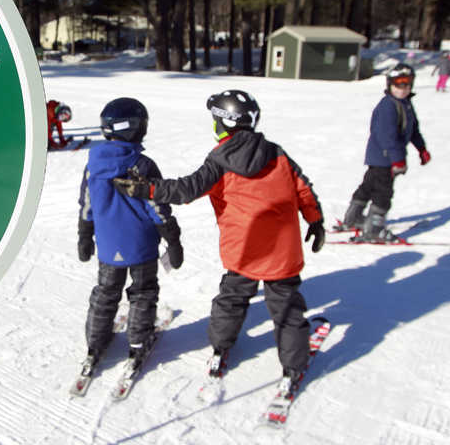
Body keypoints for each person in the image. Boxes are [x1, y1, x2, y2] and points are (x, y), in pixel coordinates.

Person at [112, 89, 324, 393]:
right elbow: (302, 187)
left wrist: (146, 189)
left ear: (224, 124)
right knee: (287, 310)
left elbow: (186, 189)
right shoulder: (276, 152)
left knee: (231, 301)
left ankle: (220, 347)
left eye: (215, 120)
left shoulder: (219, 160)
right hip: (282, 252)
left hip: (244, 251)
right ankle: (293, 367)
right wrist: (315, 220)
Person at [77, 97, 183, 372]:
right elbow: (157, 206)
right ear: (133, 128)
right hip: (142, 247)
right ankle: (138, 342)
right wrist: (172, 239)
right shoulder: (142, 165)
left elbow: (87, 204)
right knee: (143, 293)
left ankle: (95, 342)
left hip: (109, 248)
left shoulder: (93, 165)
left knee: (106, 291)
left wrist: (85, 235)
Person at [339, 63, 431, 241]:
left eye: (407, 83)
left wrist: (421, 149)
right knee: (383, 192)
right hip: (383, 157)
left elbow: (413, 130)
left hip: (384, 157)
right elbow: (387, 137)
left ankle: (353, 218)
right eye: (399, 84)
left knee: (368, 187)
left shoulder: (405, 104)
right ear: (390, 84)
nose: (403, 88)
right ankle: (373, 229)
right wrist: (397, 160)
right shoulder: (388, 106)